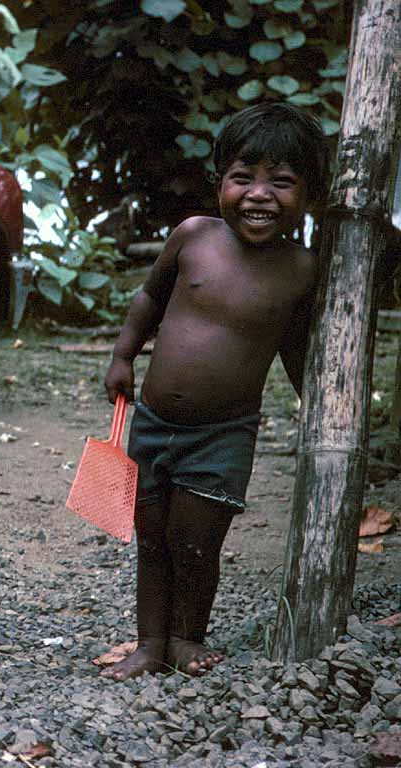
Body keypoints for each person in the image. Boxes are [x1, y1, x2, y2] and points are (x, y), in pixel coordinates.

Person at [100, 102, 329, 680]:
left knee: (195, 542)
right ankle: (150, 642)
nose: (259, 194)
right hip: (151, 422)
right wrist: (123, 354)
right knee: (151, 539)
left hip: (223, 434)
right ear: (220, 180)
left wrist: (317, 406)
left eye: (281, 182)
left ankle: (185, 637)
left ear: (309, 194)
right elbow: (149, 298)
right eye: (242, 178)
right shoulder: (193, 237)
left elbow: (296, 347)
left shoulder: (301, 269)